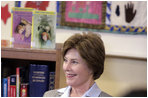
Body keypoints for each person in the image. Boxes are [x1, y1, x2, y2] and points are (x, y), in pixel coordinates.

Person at [44, 32, 111, 97]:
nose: (66, 68)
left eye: (74, 62)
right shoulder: (49, 95)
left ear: (92, 66)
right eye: (65, 60)